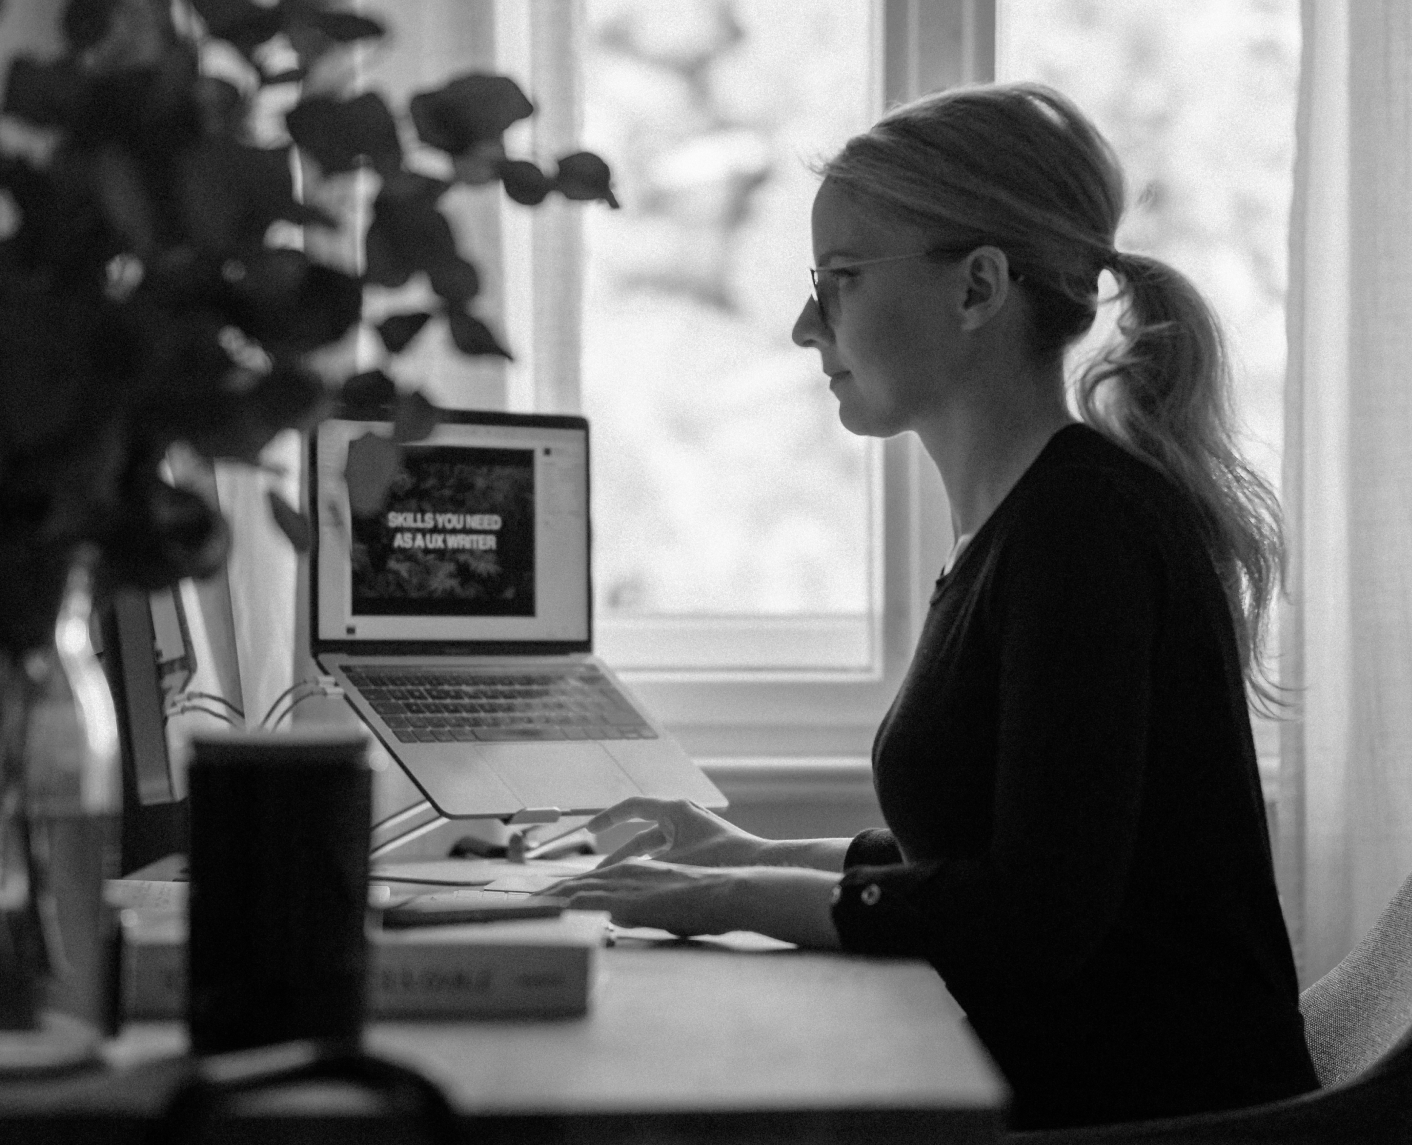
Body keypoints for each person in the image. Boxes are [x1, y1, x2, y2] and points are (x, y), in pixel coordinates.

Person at [542, 81, 1319, 1131]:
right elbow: (991, 861)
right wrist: (737, 849)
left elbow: (1029, 920)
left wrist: (721, 898)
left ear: (978, 287)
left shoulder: (1086, 532)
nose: (803, 324)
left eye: (842, 280)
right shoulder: (1031, 519)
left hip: (1153, 1117)